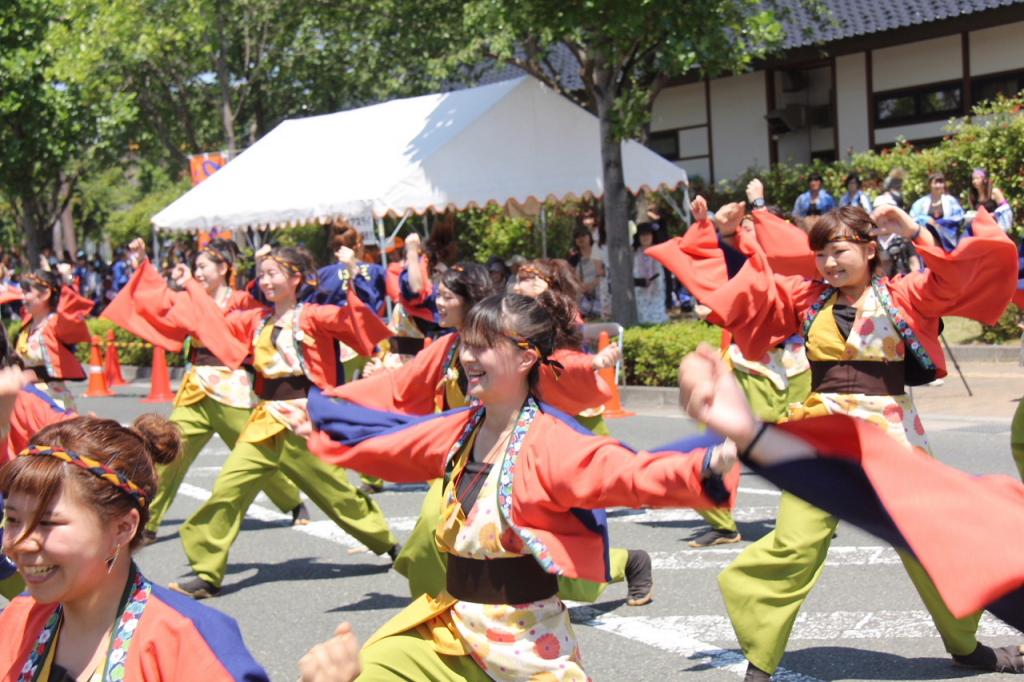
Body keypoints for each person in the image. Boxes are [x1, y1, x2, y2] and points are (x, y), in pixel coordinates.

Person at [650, 195, 1019, 681]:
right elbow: (748, 290)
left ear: (869, 250)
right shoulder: (807, 297)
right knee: (794, 544)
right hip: (823, 431)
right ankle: (760, 664)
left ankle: (966, 646)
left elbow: (953, 280)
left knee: (931, 546)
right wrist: (724, 238)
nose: (828, 262)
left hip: (893, 436)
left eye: (839, 251)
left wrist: (912, 231)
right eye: (821, 253)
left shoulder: (904, 293)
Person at [304, 292, 738, 680]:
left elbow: (624, 472)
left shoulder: (549, 441)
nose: (468, 358)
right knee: (372, 669)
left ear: (526, 357)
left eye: (483, 347)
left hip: (525, 646)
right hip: (447, 631)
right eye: (467, 346)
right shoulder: (461, 428)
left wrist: (711, 459)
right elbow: (391, 441)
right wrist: (327, 417)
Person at [166, 245, 399, 598]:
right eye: (262, 274)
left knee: (337, 494)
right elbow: (211, 323)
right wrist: (191, 286)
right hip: (264, 418)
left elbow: (357, 321)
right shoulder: (255, 319)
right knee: (228, 488)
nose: (266, 280)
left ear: (296, 278)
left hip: (304, 418)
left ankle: (390, 545)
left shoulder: (315, 316)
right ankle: (207, 571)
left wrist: (353, 274)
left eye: (274, 273)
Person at [0, 413, 270, 680]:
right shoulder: (18, 618)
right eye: (12, 519)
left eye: (47, 523)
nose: (18, 543)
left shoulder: (187, 639)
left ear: (123, 527)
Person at [102, 238, 310, 544]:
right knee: (168, 452)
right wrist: (143, 262)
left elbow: (255, 316)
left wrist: (262, 263)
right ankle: (151, 521)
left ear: (224, 268)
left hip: (232, 389)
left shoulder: (241, 300)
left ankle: (291, 500)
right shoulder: (189, 298)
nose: (197, 273)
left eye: (203, 267)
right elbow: (159, 300)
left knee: (256, 452)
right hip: (196, 386)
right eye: (195, 267)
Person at [14, 266, 93, 411]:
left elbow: (71, 312)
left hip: (52, 399)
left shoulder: (56, 324)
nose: (23, 298)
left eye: (27, 292)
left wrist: (66, 281)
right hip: (26, 398)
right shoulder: (27, 324)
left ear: (45, 294)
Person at [910, 172, 965, 251]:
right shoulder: (920, 203)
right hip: (926, 239)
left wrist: (942, 222)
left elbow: (959, 216)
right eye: (936, 182)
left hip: (945, 239)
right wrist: (925, 219)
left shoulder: (950, 201)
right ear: (930, 185)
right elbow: (912, 218)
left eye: (941, 182)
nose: (938, 185)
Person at [568, 226, 608, 320]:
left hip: (601, 291)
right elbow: (571, 277)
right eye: (577, 236)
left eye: (583, 235)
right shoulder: (574, 258)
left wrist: (592, 285)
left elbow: (605, 272)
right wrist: (581, 287)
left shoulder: (599, 252)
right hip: (583, 296)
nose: (580, 238)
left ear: (589, 236)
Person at [633, 223, 668, 324]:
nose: (645, 237)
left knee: (658, 317)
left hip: (657, 290)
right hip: (640, 292)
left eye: (648, 234)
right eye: (642, 235)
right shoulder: (633, 253)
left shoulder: (659, 251)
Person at [967, 168, 1014, 233]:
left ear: (985, 179)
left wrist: (992, 215)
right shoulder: (973, 197)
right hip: (981, 229)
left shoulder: (994, 192)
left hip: (995, 228)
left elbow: (1005, 210)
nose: (974, 181)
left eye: (977, 178)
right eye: (973, 179)